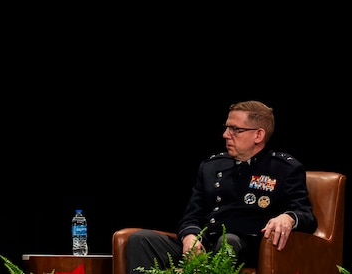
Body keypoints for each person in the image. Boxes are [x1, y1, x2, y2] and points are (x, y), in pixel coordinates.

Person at [124, 100, 317, 271]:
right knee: (141, 240)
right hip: (205, 245)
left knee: (228, 242)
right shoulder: (212, 166)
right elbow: (191, 216)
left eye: (236, 129)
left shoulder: (284, 168)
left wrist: (289, 217)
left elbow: (306, 216)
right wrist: (189, 237)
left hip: (245, 248)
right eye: (226, 127)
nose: (226, 134)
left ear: (258, 135)